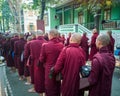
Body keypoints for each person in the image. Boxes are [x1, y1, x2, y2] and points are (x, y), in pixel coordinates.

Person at [39, 29, 64, 96]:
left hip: (49, 69)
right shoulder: (61, 45)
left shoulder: (45, 45)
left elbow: (41, 59)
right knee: (57, 85)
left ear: (50, 35)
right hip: (58, 69)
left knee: (49, 86)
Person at [30, 30, 47, 95]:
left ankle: (40, 92)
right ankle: (44, 92)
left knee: (38, 78)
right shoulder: (46, 42)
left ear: (37, 35)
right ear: (42, 35)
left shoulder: (32, 43)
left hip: (36, 62)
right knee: (44, 77)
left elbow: (32, 55)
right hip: (44, 63)